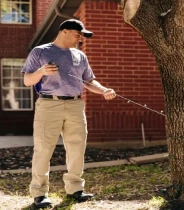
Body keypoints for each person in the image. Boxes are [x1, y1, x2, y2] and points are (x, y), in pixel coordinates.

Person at [22, 19, 116, 208]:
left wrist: (104, 89)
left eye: (82, 36)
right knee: (43, 149)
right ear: (64, 31)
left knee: (77, 148)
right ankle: (40, 194)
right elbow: (27, 80)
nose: (80, 39)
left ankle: (75, 190)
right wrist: (41, 71)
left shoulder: (80, 56)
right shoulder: (40, 52)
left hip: (75, 105)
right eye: (78, 34)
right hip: (49, 105)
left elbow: (89, 81)